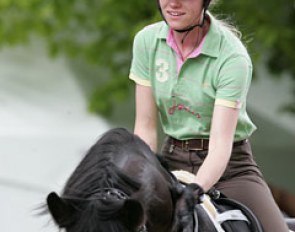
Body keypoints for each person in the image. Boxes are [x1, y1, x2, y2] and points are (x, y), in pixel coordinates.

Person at [129, 0, 289, 231]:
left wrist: (194, 190)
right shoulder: (145, 41)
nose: (173, 3)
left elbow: (220, 144)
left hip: (230, 167)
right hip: (171, 158)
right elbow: (145, 126)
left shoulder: (233, 57)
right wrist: (143, 176)